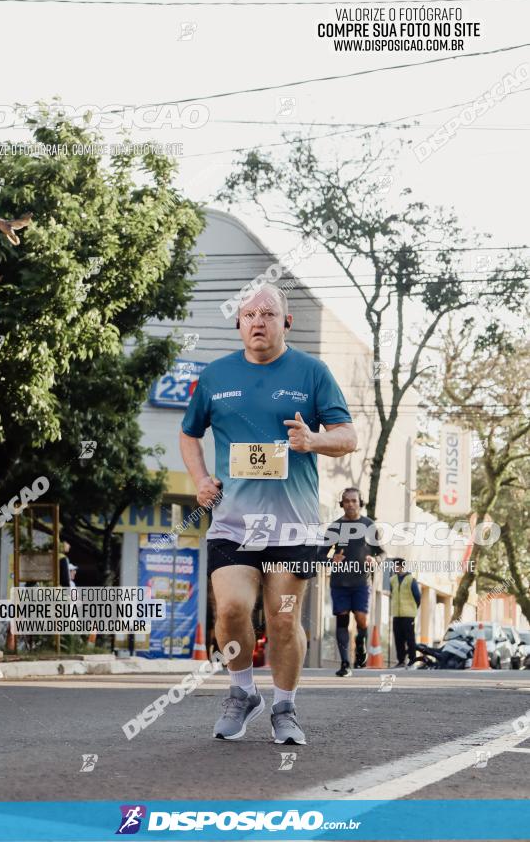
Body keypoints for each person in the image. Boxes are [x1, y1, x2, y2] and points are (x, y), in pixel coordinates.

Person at [179, 283, 357, 745]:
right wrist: (200, 479)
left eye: (268, 314)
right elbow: (188, 434)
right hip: (233, 522)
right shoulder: (215, 377)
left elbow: (348, 435)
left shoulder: (312, 372)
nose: (258, 321)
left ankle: (284, 706)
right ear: (238, 324)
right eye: (249, 314)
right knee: (233, 608)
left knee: (282, 617)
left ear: (286, 323)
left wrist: (313, 440)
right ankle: (242, 692)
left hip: (292, 523)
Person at [321, 487, 384, 677]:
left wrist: (375, 560)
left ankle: (361, 644)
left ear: (360, 503)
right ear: (342, 504)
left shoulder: (369, 525)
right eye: (346, 501)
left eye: (354, 500)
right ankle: (345, 663)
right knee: (342, 618)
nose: (350, 504)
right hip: (339, 582)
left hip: (361, 582)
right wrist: (332, 560)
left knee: (360, 618)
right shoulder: (335, 527)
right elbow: (319, 554)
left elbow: (382, 552)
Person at [390, 557, 421, 667]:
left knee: (409, 638)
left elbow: (418, 596)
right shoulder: (393, 579)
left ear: (401, 566)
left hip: (408, 614)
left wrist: (413, 608)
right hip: (396, 614)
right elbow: (392, 594)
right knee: (398, 638)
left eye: (395, 566)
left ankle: (412, 659)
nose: (393, 568)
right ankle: (401, 661)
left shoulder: (410, 579)